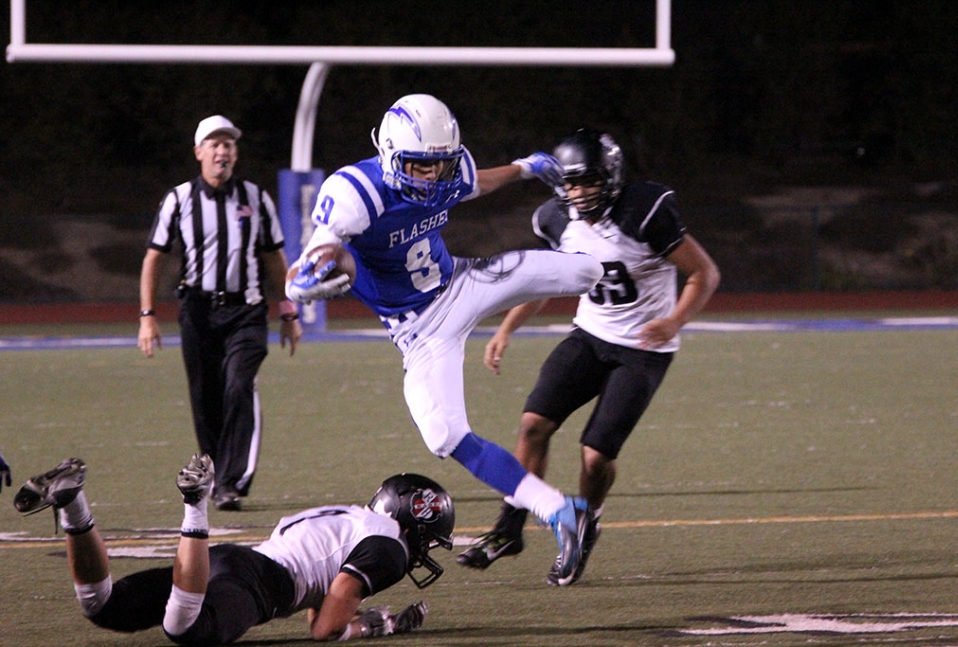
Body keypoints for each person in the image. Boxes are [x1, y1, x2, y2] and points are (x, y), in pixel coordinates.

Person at [285, 94, 605, 586]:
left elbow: (475, 183)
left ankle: (590, 229)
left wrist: (523, 168)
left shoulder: (443, 168)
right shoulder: (357, 191)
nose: (429, 177)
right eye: (418, 165)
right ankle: (563, 511)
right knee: (443, 434)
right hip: (419, 329)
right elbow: (320, 251)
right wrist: (304, 277)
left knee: (588, 268)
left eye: (437, 166)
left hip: (463, 282)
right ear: (391, 153)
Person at [456, 128, 721, 585]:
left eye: (587, 182)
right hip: (591, 334)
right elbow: (543, 280)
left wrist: (673, 322)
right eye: (570, 184)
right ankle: (508, 527)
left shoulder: (644, 212)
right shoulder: (556, 219)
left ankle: (587, 521)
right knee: (533, 425)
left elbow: (703, 272)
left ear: (611, 178)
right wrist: (506, 329)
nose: (578, 193)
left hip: (642, 348)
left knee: (595, 456)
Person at [13, 454, 453, 643]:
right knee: (184, 631)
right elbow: (325, 630)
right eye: (429, 537)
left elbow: (322, 603)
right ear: (412, 519)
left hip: (233, 562)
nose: (424, 549)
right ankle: (195, 507)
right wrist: (371, 627)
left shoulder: (355, 519)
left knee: (102, 606)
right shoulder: (389, 547)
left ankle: (74, 506)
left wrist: (363, 617)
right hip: (258, 583)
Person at [138, 115, 303, 511]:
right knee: (205, 398)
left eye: (229, 144)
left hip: (245, 310)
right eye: (214, 143)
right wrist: (147, 315)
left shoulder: (255, 198)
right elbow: (153, 259)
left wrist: (288, 310)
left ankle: (232, 481)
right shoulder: (179, 200)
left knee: (238, 384)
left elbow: (274, 257)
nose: (223, 150)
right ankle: (214, 472)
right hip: (197, 311)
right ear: (199, 153)